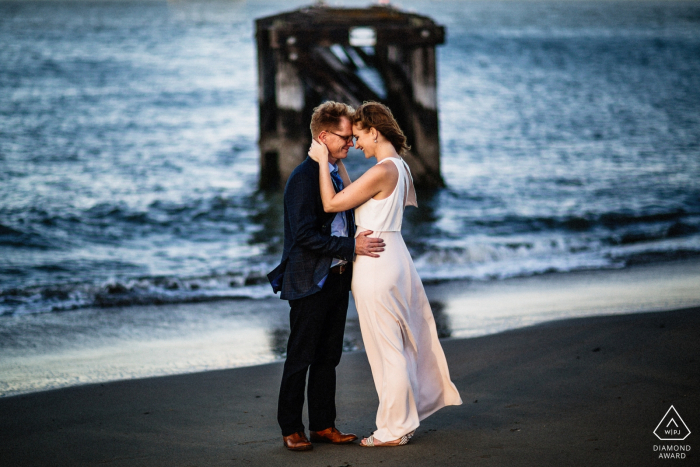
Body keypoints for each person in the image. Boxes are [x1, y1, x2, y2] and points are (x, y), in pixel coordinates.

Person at [307, 101, 462, 447]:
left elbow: (333, 204)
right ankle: (402, 421)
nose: (356, 143)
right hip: (395, 256)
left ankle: (393, 429)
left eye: (359, 136)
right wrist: (337, 165)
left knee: (386, 348)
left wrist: (321, 164)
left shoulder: (381, 171)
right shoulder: (398, 167)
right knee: (398, 345)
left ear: (374, 132)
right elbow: (357, 197)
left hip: (376, 262)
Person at [267, 101, 386, 451]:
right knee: (300, 356)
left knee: (329, 356)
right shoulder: (303, 178)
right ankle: (291, 428)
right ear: (323, 136)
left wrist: (349, 253)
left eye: (352, 139)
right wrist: (351, 246)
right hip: (309, 279)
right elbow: (304, 236)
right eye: (345, 138)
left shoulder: (332, 172)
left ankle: (323, 425)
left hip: (336, 277)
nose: (351, 144)